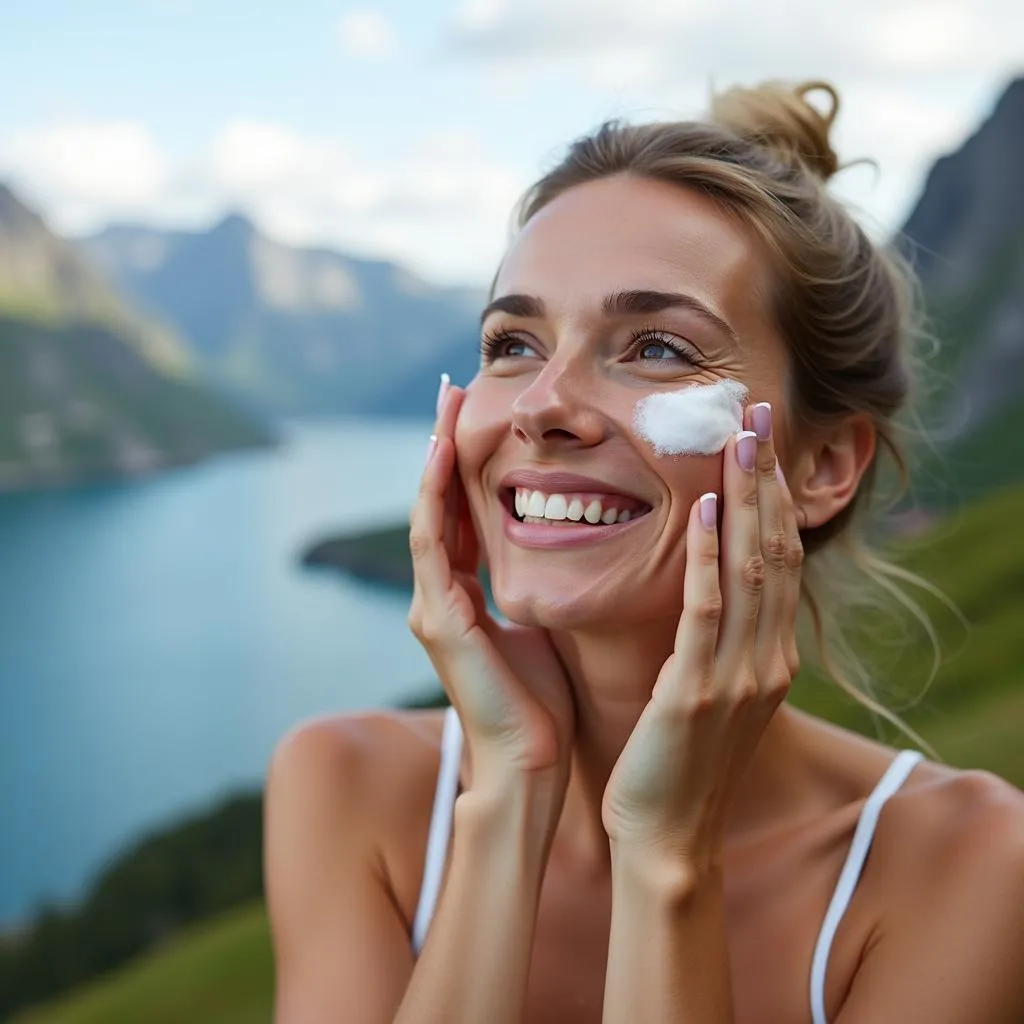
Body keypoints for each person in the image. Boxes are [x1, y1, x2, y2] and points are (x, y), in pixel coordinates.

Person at [264, 80, 1024, 1023]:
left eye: (658, 348)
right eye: (513, 342)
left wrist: (666, 855)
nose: (542, 403)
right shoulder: (344, 787)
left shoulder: (966, 867)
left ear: (825, 463)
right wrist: (510, 799)